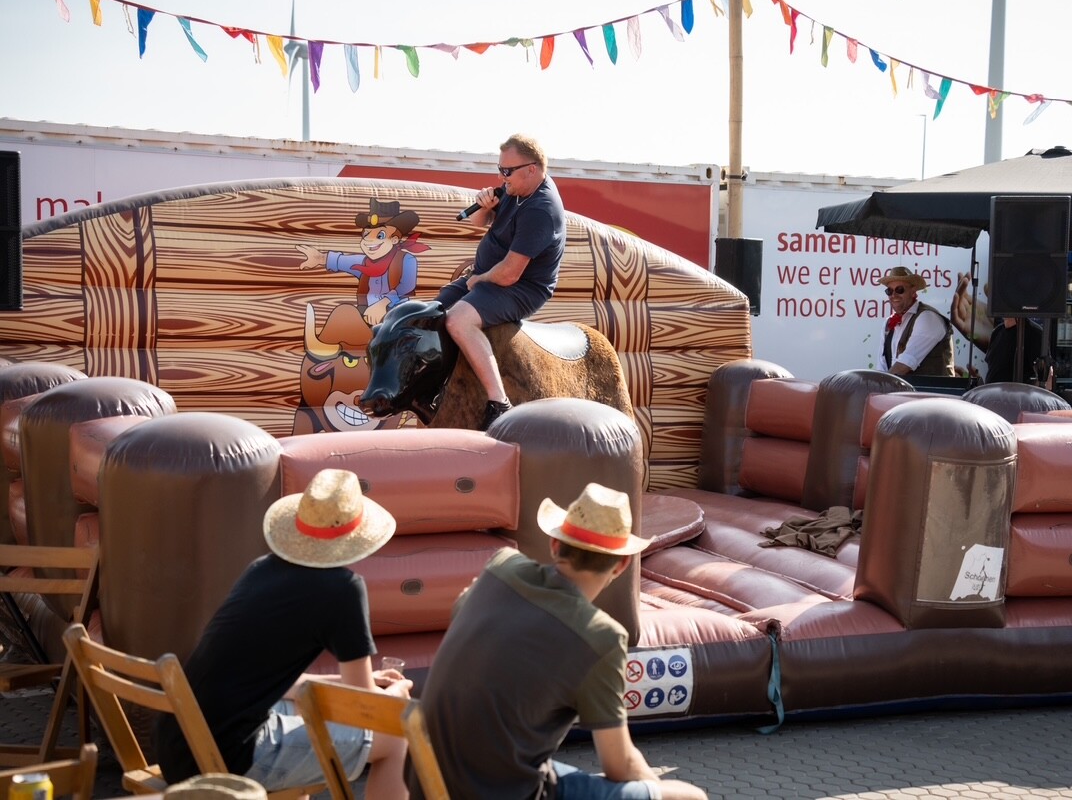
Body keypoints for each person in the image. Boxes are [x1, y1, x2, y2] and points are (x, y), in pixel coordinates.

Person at [411, 483, 708, 800]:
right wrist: (653, 788)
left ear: (555, 544)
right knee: (688, 797)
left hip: (427, 779)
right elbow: (619, 764)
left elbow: (462, 613)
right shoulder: (600, 637)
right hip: (507, 791)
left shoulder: (500, 567)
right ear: (622, 565)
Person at [155, 469, 413, 799]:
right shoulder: (344, 589)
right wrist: (396, 696)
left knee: (305, 710)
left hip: (178, 746)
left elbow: (281, 684)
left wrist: (357, 680)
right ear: (356, 536)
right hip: (228, 758)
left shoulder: (261, 570)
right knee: (396, 732)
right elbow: (362, 706)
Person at [437, 134, 566, 430]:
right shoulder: (515, 188)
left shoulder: (541, 209)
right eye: (499, 169)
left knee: (458, 320)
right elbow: (477, 222)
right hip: (487, 277)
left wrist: (479, 278)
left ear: (531, 169)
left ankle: (498, 401)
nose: (501, 177)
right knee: (430, 312)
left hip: (521, 288)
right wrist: (484, 206)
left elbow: (509, 274)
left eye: (507, 170)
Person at [296, 198, 430, 326]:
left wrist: (383, 304)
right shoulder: (363, 263)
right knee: (343, 312)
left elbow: (406, 286)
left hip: (397, 317)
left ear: (394, 239)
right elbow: (341, 261)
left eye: (380, 236)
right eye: (366, 234)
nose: (369, 240)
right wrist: (319, 258)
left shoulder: (406, 260)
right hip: (367, 315)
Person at [876, 265, 955, 376]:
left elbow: (906, 363)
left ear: (913, 292)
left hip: (931, 387)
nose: (893, 295)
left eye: (899, 289)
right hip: (899, 387)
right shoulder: (888, 323)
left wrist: (883, 383)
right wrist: (879, 383)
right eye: (889, 291)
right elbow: (882, 365)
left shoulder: (928, 317)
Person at [983, 317, 1045, 384]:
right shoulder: (997, 331)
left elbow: (1045, 378)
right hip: (991, 389)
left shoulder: (1034, 333)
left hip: (1018, 390)